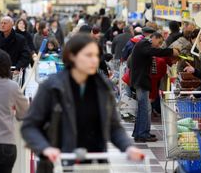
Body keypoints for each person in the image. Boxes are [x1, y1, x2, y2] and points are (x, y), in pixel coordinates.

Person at [21, 34, 143, 171]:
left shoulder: (103, 87)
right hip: (59, 165)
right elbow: (29, 126)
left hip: (95, 164)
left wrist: (128, 147)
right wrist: (45, 149)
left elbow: (113, 126)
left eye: (96, 55)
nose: (94, 60)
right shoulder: (52, 87)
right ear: (72, 56)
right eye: (88, 55)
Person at [129, 32, 179, 142]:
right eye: (159, 42)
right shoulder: (144, 44)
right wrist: (170, 51)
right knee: (145, 108)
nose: (159, 45)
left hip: (141, 81)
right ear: (154, 38)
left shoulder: (144, 45)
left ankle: (140, 132)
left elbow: (155, 52)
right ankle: (142, 133)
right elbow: (155, 51)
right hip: (140, 81)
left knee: (143, 108)